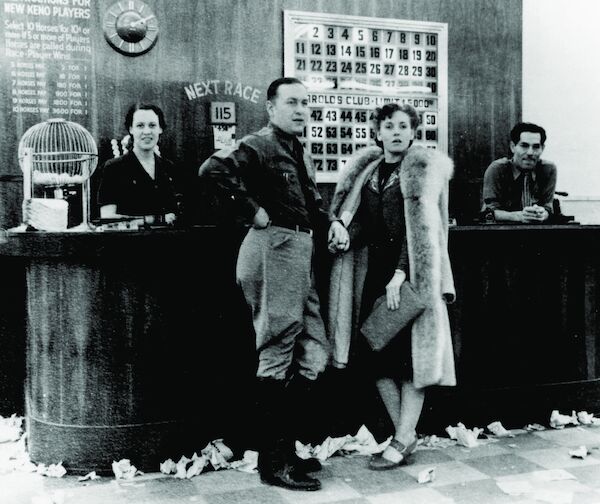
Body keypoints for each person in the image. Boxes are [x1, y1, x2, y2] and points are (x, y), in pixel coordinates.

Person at [198, 77, 344, 491]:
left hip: (299, 249)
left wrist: (330, 223)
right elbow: (212, 170)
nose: (301, 110)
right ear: (270, 107)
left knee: (313, 352)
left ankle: (284, 449)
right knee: (277, 350)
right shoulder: (259, 144)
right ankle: (273, 460)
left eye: (306, 104)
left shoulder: (296, 149)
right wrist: (253, 211)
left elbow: (313, 201)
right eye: (292, 103)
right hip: (274, 246)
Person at [328, 103, 456, 470]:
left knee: (409, 360)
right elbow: (366, 226)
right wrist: (344, 237)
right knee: (376, 356)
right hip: (375, 274)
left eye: (403, 126)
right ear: (378, 131)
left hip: (410, 275)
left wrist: (401, 273)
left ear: (414, 131)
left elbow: (422, 230)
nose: (396, 132)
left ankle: (402, 437)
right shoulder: (369, 171)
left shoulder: (422, 171)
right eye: (389, 126)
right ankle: (405, 433)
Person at [96, 103, 180, 224]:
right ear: (131, 129)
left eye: (152, 125)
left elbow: (176, 215)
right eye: (140, 126)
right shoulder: (113, 168)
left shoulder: (169, 168)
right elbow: (108, 219)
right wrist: (156, 219)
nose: (147, 131)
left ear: (160, 129)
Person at [482, 122, 557, 223]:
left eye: (536, 147)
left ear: (542, 148)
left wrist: (543, 214)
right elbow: (489, 212)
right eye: (524, 146)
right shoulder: (497, 169)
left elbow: (548, 207)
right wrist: (519, 217)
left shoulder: (548, 169)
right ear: (513, 147)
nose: (530, 152)